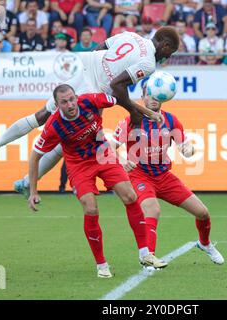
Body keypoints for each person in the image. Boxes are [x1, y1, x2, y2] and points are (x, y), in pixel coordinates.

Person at [0, 28, 180, 192]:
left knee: (41, 116)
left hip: (84, 68)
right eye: (168, 54)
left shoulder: (131, 35)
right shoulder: (149, 63)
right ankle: (27, 181)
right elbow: (118, 86)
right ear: (165, 45)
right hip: (92, 91)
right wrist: (137, 111)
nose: (166, 58)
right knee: (70, 136)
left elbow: (102, 47)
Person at [29, 84, 168, 277]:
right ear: (57, 104)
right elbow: (35, 156)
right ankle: (101, 264)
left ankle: (145, 254)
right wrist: (33, 191)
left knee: (130, 195)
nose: (70, 104)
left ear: (76, 96)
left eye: (71, 99)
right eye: (64, 102)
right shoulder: (54, 126)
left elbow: (122, 100)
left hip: (103, 153)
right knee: (90, 207)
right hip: (79, 165)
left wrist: (148, 113)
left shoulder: (90, 101)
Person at [111, 83, 224, 265]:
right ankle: (149, 258)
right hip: (140, 176)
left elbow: (184, 146)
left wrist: (188, 149)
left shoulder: (171, 120)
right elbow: (107, 148)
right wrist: (122, 161)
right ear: (143, 96)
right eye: (150, 94)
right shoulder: (130, 121)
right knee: (152, 209)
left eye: (158, 95)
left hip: (164, 177)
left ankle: (205, 244)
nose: (154, 98)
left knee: (202, 213)